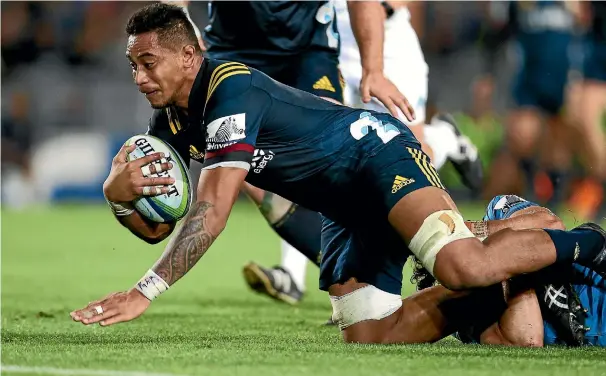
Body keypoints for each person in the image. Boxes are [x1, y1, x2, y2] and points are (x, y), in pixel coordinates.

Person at [70, 5, 606, 346]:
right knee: (370, 337)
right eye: (132, 65)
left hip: (373, 156)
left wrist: (144, 291)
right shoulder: (169, 121)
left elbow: (211, 213)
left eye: (148, 62)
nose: (139, 77)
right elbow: (162, 224)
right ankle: (501, 287)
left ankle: (588, 244)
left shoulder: (230, 88)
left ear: (189, 56)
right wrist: (118, 196)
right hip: (342, 205)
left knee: (461, 265)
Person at [172, 0, 416, 304]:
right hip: (231, 52)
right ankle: (345, 278)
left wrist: (373, 70)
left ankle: (380, 262)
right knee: (249, 170)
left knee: (332, 158)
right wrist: (179, 19)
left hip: (307, 52)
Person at [244, 0, 485, 306]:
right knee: (311, 147)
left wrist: (377, 56)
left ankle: (445, 140)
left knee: (404, 150)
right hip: (326, 40)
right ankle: (294, 272)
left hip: (385, 36)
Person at [453, 194, 605, 347]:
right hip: (527, 315)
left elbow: (552, 225)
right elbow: (528, 340)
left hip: (582, 267)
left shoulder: (496, 212)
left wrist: (459, 233)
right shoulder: (458, 312)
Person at [480, 1, 577, 208]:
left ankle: (556, 197)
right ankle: (531, 188)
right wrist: (488, 74)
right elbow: (496, 32)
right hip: (530, 78)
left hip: (566, 75)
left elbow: (589, 25)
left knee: (558, 142)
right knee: (522, 134)